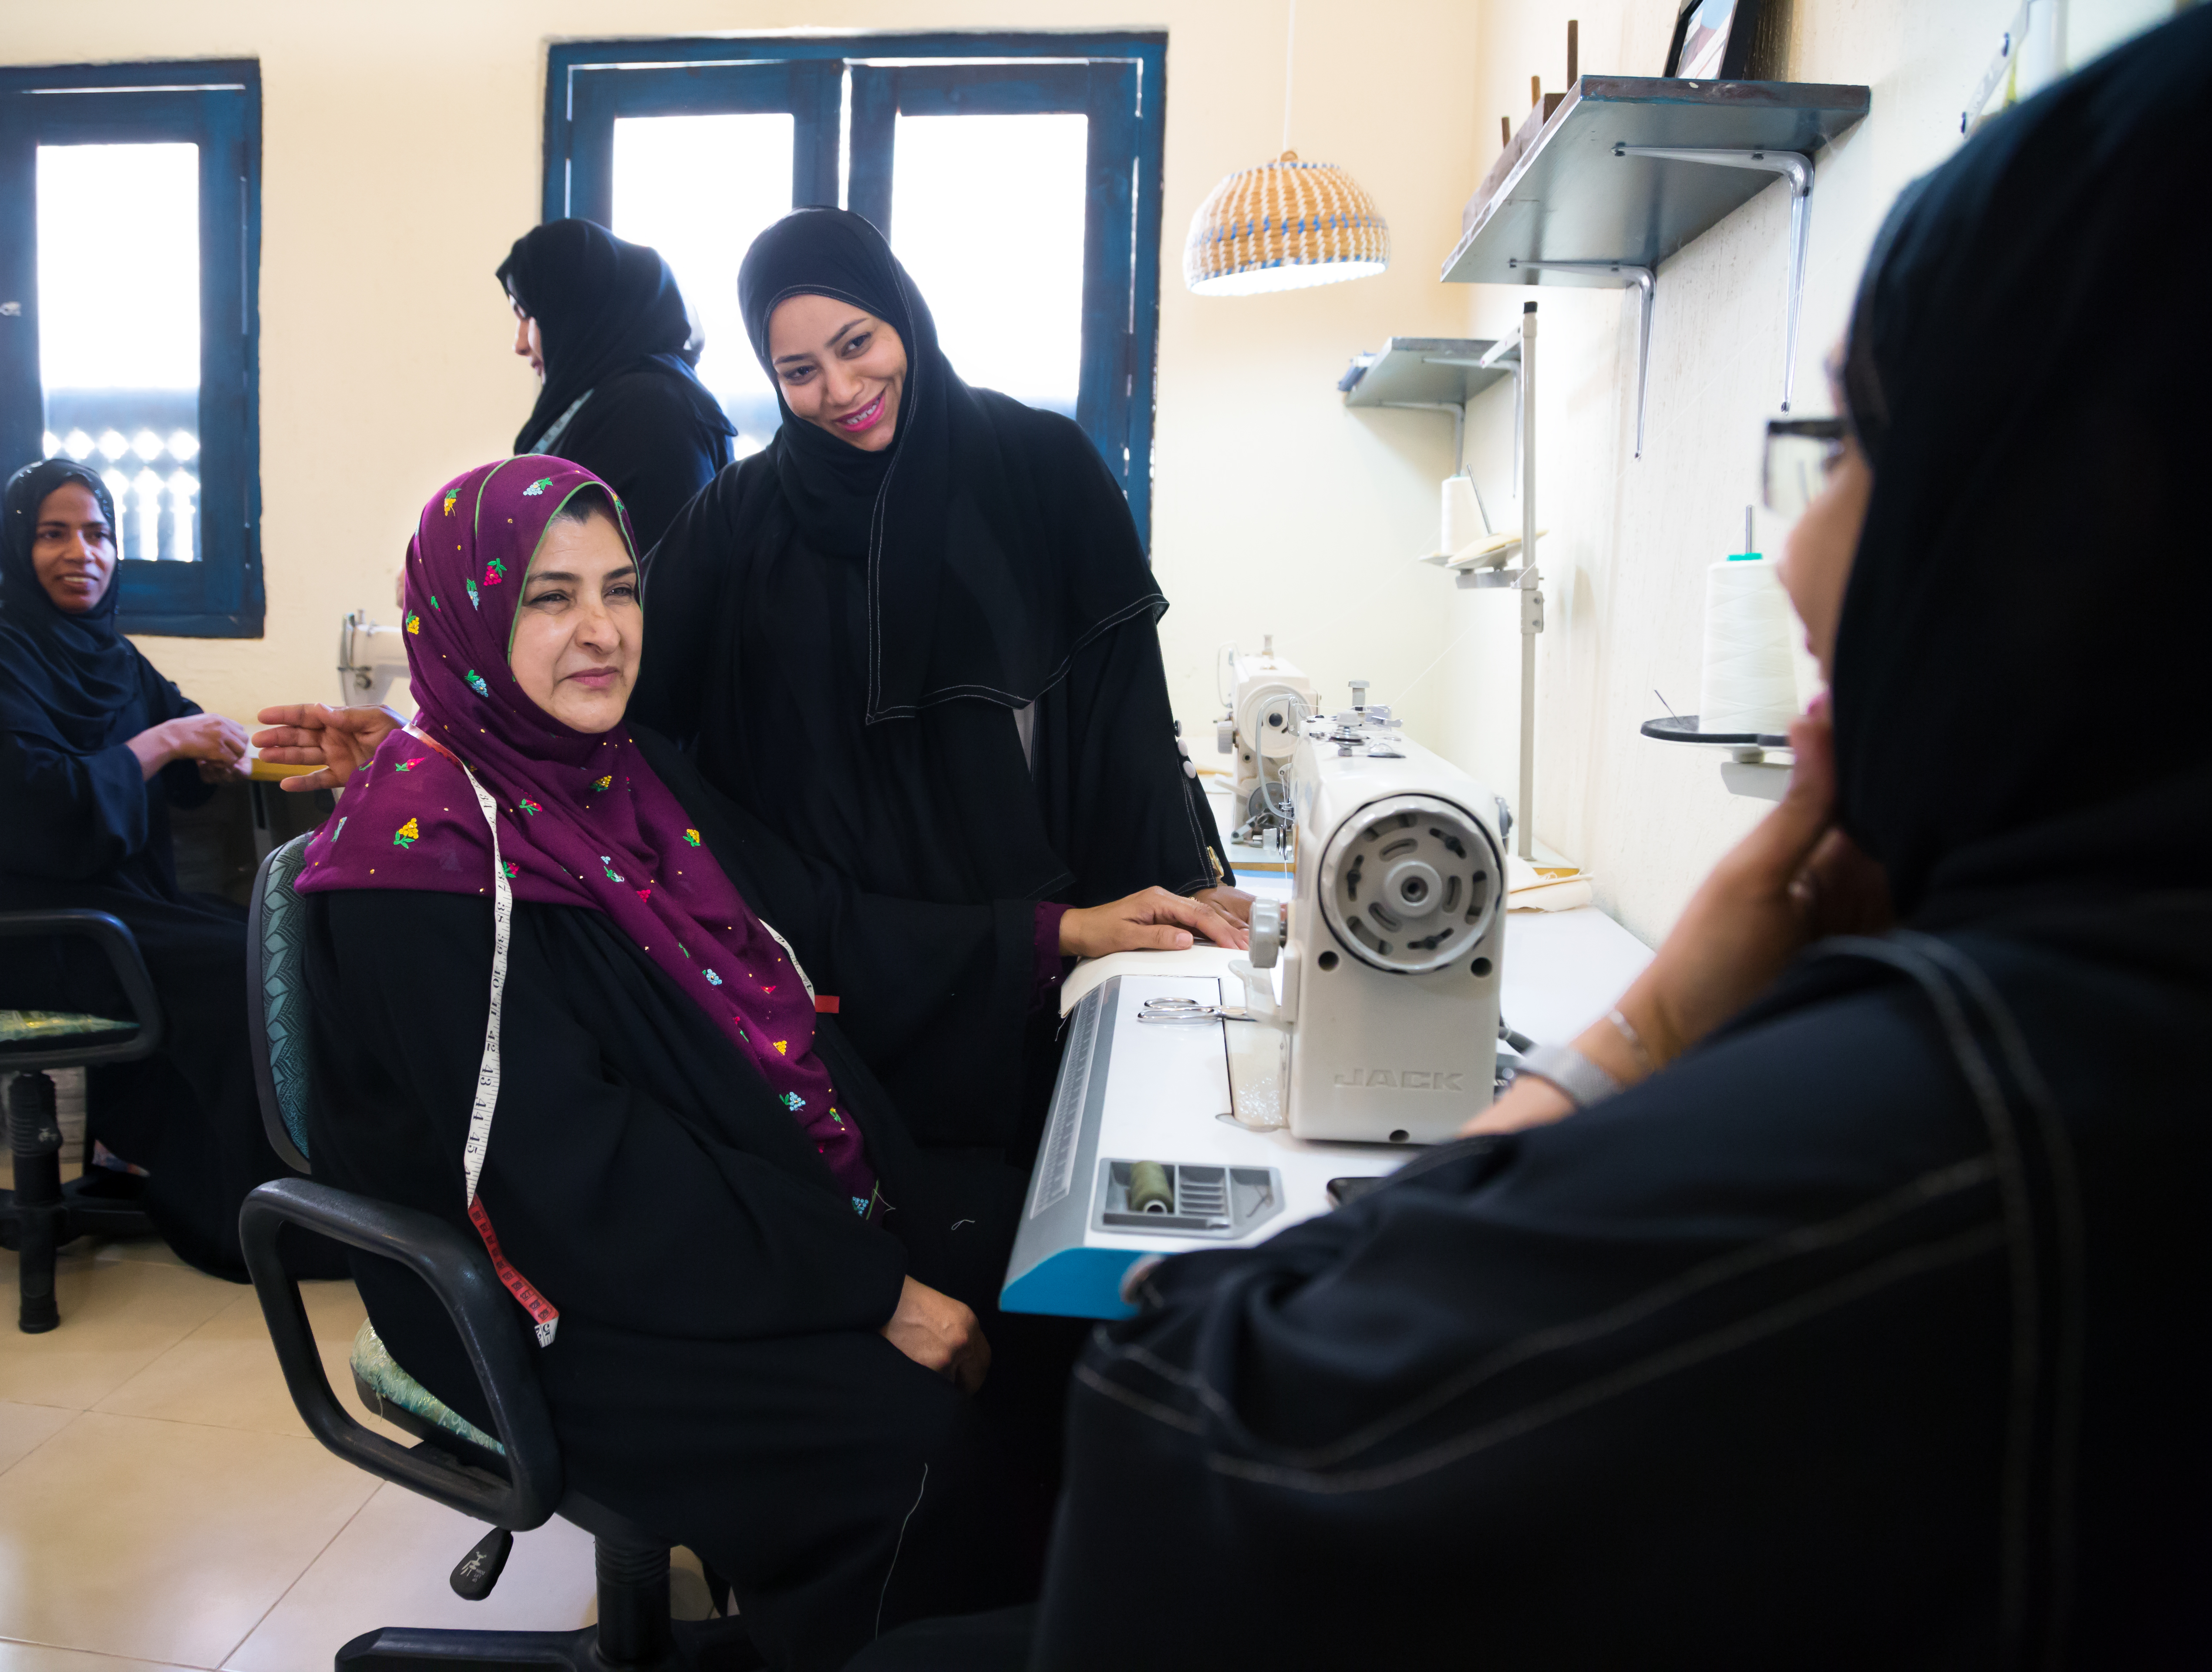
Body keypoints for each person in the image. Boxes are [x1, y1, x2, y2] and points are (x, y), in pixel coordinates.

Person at [853, 9, 2212, 1667]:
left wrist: (1644, 1032)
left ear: (2048, 514)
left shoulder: (1956, 1129)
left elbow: (1184, 1440)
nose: (1794, 563)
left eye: (1848, 445)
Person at [286, 456, 1238, 1672]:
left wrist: (1066, 932)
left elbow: (821, 921)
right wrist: (871, 1292)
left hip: (725, 1204)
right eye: (546, 597)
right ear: (465, 617)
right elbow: (575, 1174)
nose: (600, 632)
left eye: (621, 590)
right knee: (920, 1455)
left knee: (1073, 1293)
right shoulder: (421, 855)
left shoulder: (620, 778)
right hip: (541, 1290)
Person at [626, 207, 1242, 1158]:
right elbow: (620, 695)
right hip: (855, 980)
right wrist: (441, 743)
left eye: (857, 343)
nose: (840, 390)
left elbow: (1124, 717)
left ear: (901, 316)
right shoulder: (740, 522)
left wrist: (1182, 891)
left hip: (1045, 960)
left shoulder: (1042, 469)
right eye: (799, 372)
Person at [0, 458, 306, 1278]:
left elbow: (184, 733)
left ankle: (214, 1174)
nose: (81, 554)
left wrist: (217, 755)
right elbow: (38, 812)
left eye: (97, 534)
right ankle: (232, 1212)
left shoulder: (108, 652)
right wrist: (168, 744)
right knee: (227, 970)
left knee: (264, 939)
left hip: (98, 909)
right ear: (14, 546)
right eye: (53, 535)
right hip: (16, 928)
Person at [496, 218, 734, 553]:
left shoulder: (651, 411)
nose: (520, 344)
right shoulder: (616, 403)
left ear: (574, 313)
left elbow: (654, 588)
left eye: (526, 315)